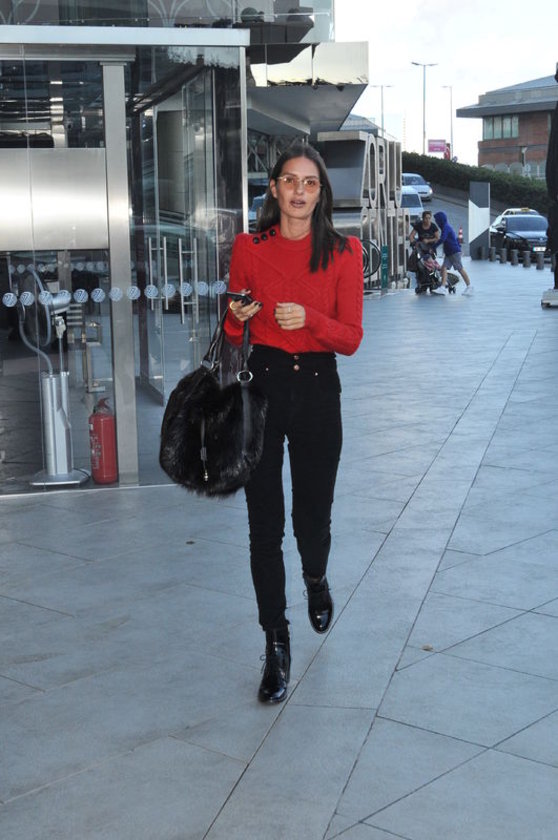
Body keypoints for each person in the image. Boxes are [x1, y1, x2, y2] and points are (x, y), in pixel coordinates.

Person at [225, 141, 364, 704]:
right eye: (290, 180)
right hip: (263, 386)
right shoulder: (249, 247)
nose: (299, 191)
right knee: (264, 526)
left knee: (312, 517)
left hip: (318, 390)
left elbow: (351, 339)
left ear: (321, 192)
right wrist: (235, 318)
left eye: (310, 182)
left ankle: (315, 576)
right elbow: (232, 332)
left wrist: (310, 319)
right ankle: (276, 641)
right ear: (275, 188)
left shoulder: (345, 252)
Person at [431, 210, 474, 296]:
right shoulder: (445, 227)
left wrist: (434, 247)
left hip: (453, 252)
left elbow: (442, 239)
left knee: (460, 269)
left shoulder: (446, 228)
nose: (436, 222)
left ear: (440, 220)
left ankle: (469, 286)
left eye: (437, 220)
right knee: (443, 268)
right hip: (449, 253)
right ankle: (443, 287)